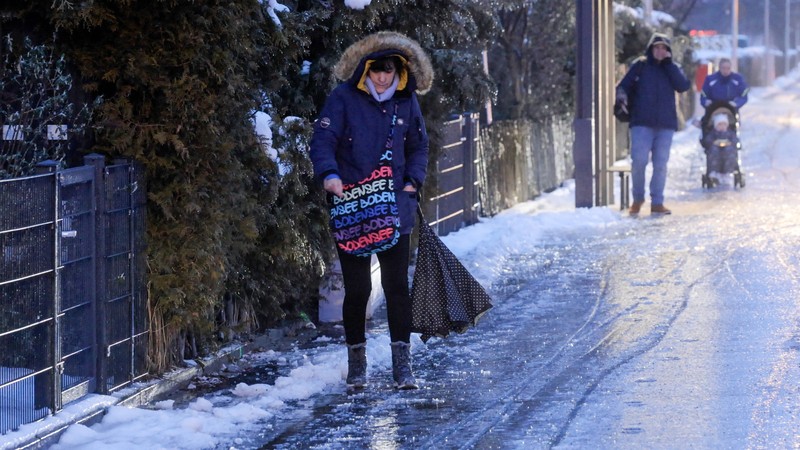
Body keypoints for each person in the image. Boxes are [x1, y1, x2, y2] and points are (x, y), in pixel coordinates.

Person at [309, 31, 432, 390]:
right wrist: (329, 174)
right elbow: (324, 141)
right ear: (365, 69)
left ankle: (402, 367)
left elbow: (419, 147)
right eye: (376, 69)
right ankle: (357, 366)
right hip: (352, 207)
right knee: (358, 289)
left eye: (389, 70)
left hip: (396, 206)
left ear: (400, 71)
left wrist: (413, 180)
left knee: (396, 287)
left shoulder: (407, 102)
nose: (382, 76)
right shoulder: (343, 98)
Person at [615, 33, 691, 215]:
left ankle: (657, 201)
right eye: (656, 47)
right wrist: (622, 97)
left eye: (664, 48)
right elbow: (623, 85)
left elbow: (682, 86)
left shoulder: (672, 68)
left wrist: (669, 64)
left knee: (661, 164)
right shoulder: (640, 66)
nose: (660, 51)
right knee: (639, 162)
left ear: (668, 51)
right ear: (651, 49)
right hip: (641, 122)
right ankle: (638, 198)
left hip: (665, 124)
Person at [701, 112, 739, 186]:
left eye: (724, 124)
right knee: (713, 151)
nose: (722, 126)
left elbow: (735, 140)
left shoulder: (730, 133)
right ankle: (714, 172)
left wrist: (731, 143)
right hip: (716, 149)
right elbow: (708, 140)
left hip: (727, 149)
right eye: (719, 124)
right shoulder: (713, 133)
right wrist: (713, 142)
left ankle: (728, 172)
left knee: (730, 152)